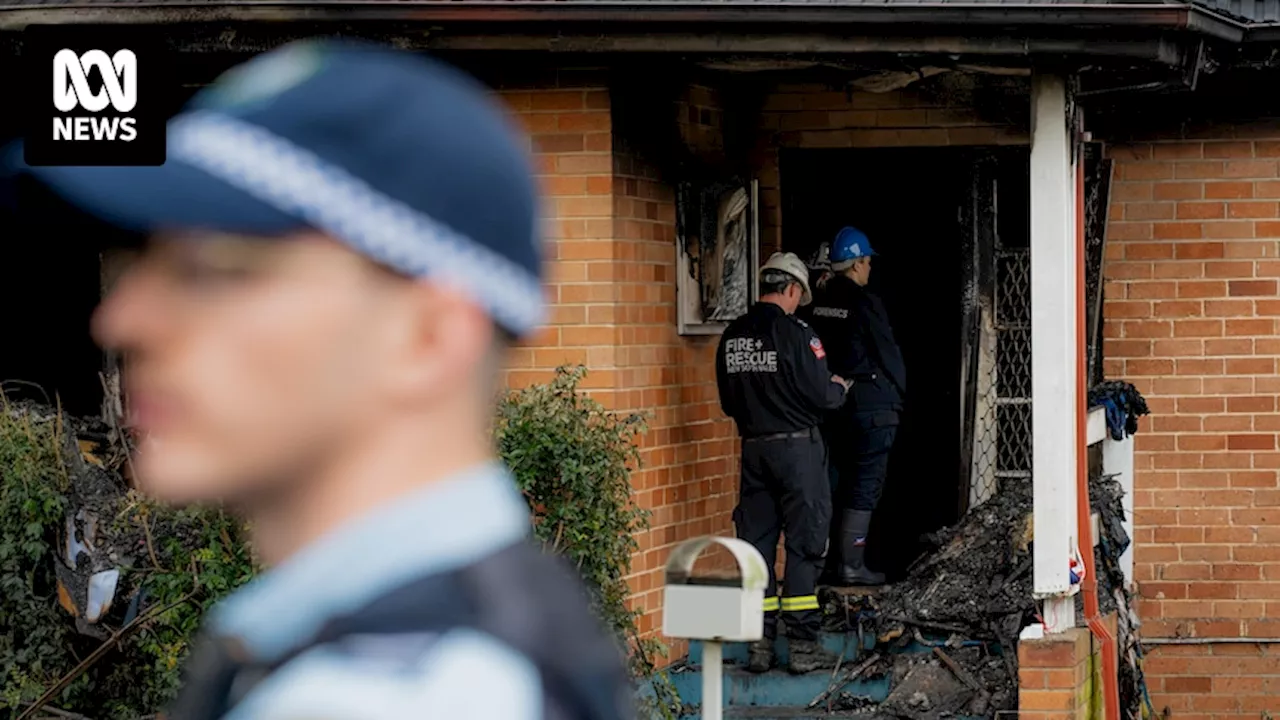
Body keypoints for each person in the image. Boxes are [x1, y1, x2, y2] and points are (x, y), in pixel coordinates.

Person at [5, 40, 633, 720]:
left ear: (427, 338)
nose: (121, 320)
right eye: (148, 260)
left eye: (216, 268)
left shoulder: (382, 697)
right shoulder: (483, 622)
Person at [715, 252, 850, 675]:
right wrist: (839, 387)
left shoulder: (732, 335)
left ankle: (759, 645)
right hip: (797, 453)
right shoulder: (798, 334)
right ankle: (804, 645)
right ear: (792, 290)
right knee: (805, 545)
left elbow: (726, 402)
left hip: (753, 451)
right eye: (799, 296)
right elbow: (822, 396)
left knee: (756, 549)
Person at [805, 227, 907, 587]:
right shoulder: (866, 302)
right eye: (867, 263)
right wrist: (897, 391)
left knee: (829, 481)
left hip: (832, 405)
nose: (869, 269)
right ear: (858, 264)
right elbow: (887, 351)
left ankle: (819, 564)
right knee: (865, 482)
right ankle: (852, 564)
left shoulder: (815, 303)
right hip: (871, 405)